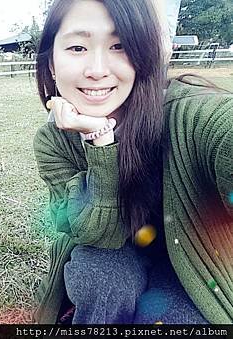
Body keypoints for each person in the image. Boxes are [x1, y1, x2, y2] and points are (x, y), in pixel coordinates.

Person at [33, 0, 232, 325]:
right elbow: (96, 235)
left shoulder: (189, 115)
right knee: (97, 276)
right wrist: (99, 141)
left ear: (142, 57)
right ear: (52, 64)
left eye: (120, 45)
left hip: (197, 261)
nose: (97, 69)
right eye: (78, 47)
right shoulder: (52, 141)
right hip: (113, 251)